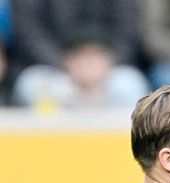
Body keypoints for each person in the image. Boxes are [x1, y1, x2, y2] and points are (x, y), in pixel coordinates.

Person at [9, 0, 149, 109]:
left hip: (108, 69)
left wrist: (106, 61)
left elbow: (128, 28)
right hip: (56, 70)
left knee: (130, 84)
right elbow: (29, 30)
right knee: (30, 85)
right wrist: (65, 62)